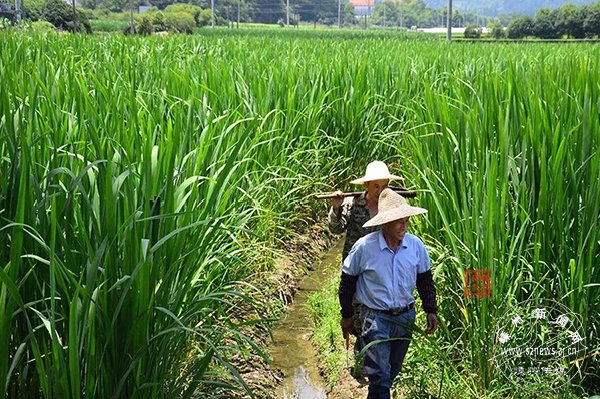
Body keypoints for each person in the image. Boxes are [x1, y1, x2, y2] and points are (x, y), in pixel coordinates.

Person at [338, 188, 438, 399]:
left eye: (406, 220)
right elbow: (347, 281)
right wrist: (347, 314)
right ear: (384, 223)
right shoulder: (365, 248)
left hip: (404, 318)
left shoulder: (415, 247)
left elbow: (424, 279)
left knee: (391, 372)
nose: (404, 225)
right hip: (375, 319)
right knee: (380, 377)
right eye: (398, 221)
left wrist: (430, 309)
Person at [328, 160, 402, 262]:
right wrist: (336, 208)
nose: (380, 191)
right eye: (376, 186)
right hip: (354, 264)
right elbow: (335, 230)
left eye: (384, 186)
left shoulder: (392, 207)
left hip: (382, 265)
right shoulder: (352, 204)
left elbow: (399, 234)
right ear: (366, 184)